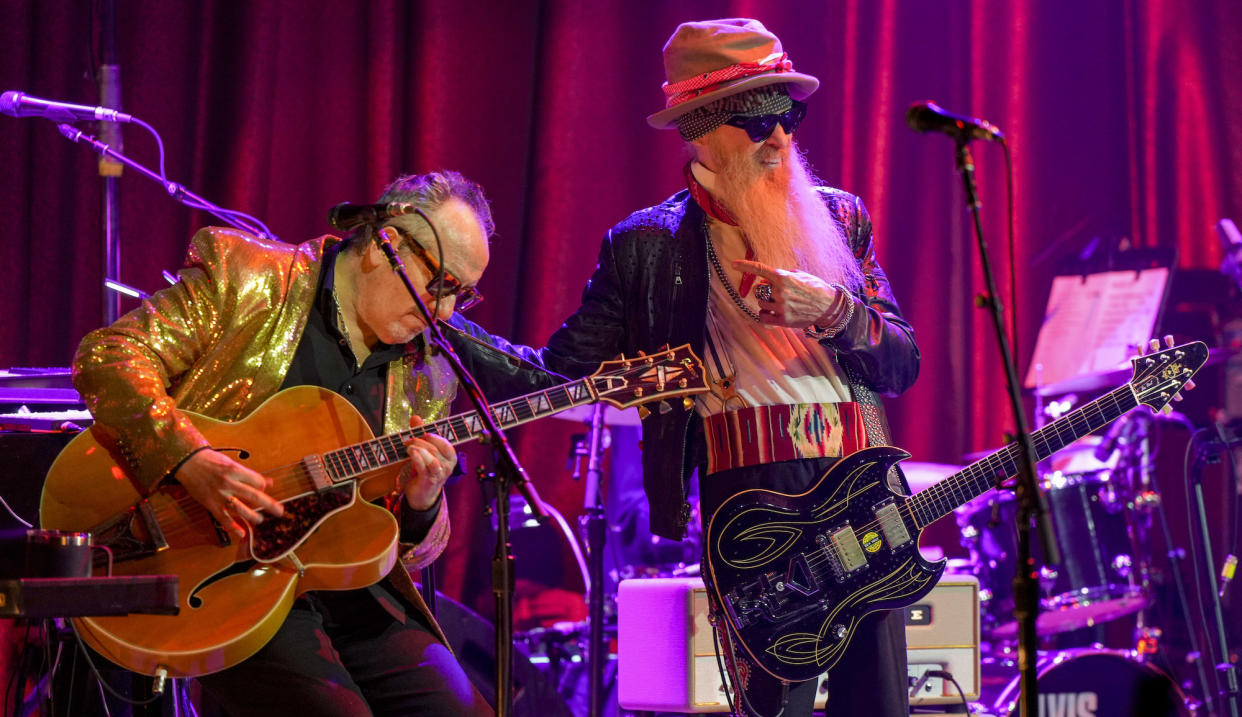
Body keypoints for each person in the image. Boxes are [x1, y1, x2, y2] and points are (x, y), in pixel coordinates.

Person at [537, 19, 920, 717]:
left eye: (790, 113)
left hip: (862, 485)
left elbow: (902, 361)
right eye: (759, 117)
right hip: (752, 502)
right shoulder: (645, 245)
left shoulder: (842, 218)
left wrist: (835, 310)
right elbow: (557, 370)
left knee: (881, 706)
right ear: (704, 130)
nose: (782, 136)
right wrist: (441, 331)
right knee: (776, 706)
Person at [73, 171, 560, 716]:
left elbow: (409, 550)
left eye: (462, 295)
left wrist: (422, 503)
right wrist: (189, 457)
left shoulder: (431, 367)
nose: (444, 313)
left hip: (351, 595)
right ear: (386, 246)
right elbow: (108, 357)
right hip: (228, 578)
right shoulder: (248, 276)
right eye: (441, 284)